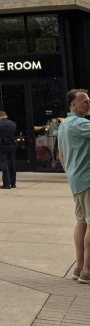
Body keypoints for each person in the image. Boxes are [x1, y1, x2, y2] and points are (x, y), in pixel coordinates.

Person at [57, 89, 90, 283]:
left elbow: (61, 155)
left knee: (82, 222)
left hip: (76, 180)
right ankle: (87, 270)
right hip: (87, 178)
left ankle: (79, 267)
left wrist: (71, 174)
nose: (88, 104)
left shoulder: (64, 125)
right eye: (84, 101)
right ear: (72, 105)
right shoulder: (81, 124)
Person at [0, 110, 18, 189]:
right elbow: (15, 134)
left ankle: (6, 184)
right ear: (6, 116)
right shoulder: (13, 124)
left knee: (4, 164)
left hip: (1, 146)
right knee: (12, 164)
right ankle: (13, 183)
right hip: (12, 146)